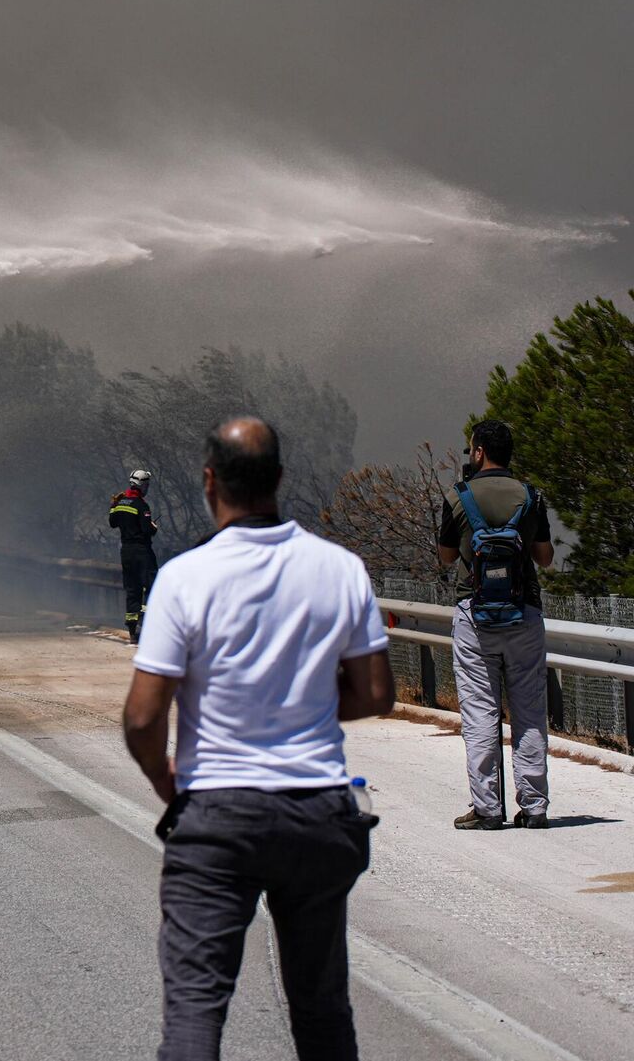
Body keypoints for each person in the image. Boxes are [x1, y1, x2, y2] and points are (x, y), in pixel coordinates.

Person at [122, 418, 393, 1061]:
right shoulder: (341, 569)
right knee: (323, 1010)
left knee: (195, 1011)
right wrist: (308, 708)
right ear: (279, 480)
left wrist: (170, 785)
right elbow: (378, 693)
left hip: (218, 815)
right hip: (319, 810)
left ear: (210, 480)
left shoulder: (186, 578)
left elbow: (140, 718)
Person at [435, 419, 555, 831]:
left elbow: (447, 557)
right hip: (524, 613)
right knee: (529, 712)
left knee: (480, 713)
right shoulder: (531, 497)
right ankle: (535, 808)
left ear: (480, 451)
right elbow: (544, 558)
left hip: (475, 615)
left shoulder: (458, 496)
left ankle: (487, 808)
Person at [109, 467, 160, 643]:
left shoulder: (120, 503)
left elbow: (112, 523)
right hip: (142, 552)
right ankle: (145, 624)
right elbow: (147, 531)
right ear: (141, 485)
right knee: (150, 587)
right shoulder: (142, 505)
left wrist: (113, 506)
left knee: (132, 589)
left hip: (126, 552)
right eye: (147, 484)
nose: (148, 488)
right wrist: (153, 526)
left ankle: (132, 631)